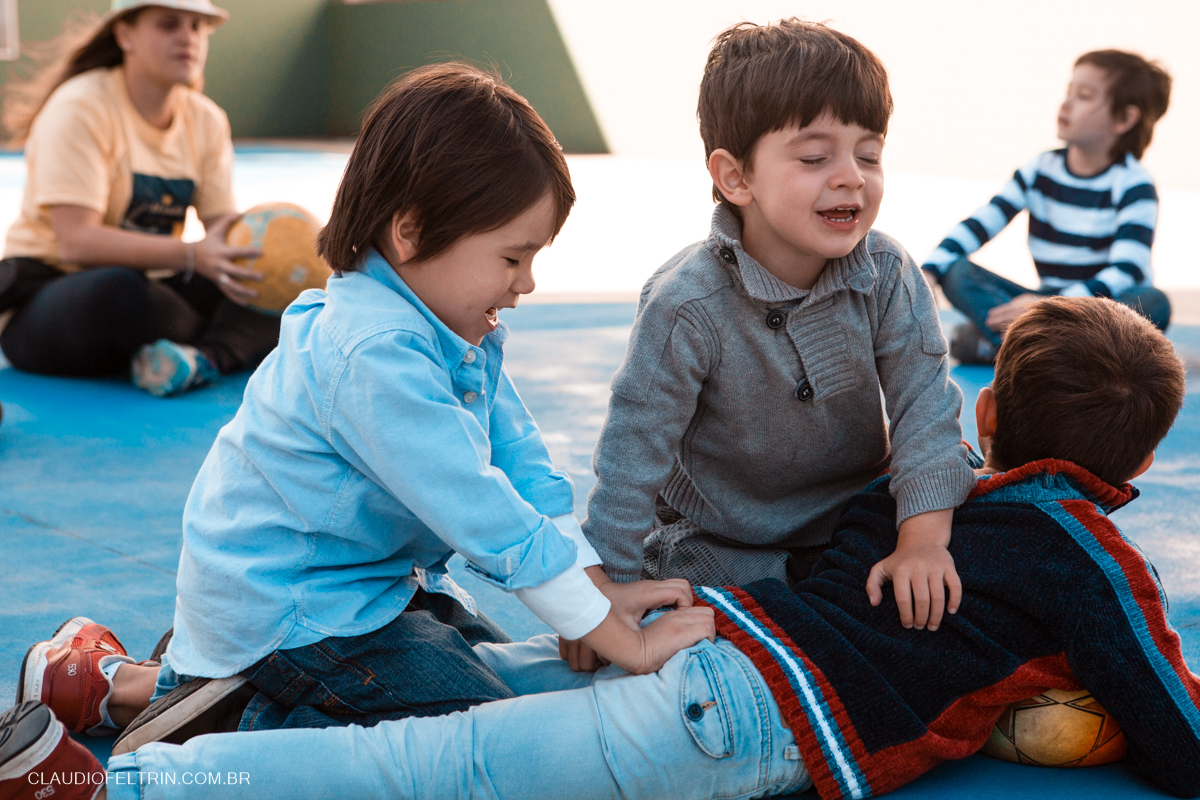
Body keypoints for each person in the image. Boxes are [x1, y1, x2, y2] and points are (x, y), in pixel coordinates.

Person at [5, 295, 1197, 800]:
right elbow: (1167, 705)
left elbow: (839, 563)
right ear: (1131, 479)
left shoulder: (916, 489)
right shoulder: (1084, 547)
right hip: (744, 720)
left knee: (432, 702)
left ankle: (117, 689)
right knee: (438, 767)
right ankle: (131, 782)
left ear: (985, 418)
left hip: (708, 633)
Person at [10, 62, 715, 762]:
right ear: (409, 232)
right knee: (478, 736)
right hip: (294, 618)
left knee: (507, 694)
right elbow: (484, 512)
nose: (528, 282)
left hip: (362, 594)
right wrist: (622, 637)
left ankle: (114, 681)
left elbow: (524, 467)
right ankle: (202, 725)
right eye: (512, 256)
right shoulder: (373, 354)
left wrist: (595, 593)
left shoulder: (452, 327)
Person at [580, 19, 975, 639]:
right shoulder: (687, 304)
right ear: (736, 178)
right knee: (699, 617)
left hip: (860, 515)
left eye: (868, 155)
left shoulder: (888, 271)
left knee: (967, 546)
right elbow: (633, 454)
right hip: (726, 538)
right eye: (816, 158)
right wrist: (609, 588)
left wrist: (922, 541)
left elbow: (925, 409)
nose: (851, 176)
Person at [0, 0, 279, 397]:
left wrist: (269, 254)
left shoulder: (206, 119)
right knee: (119, 291)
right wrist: (192, 256)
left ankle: (201, 359)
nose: (188, 38)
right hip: (57, 296)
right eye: (169, 25)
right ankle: (226, 341)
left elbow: (223, 229)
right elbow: (76, 241)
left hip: (155, 284)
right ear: (124, 34)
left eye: (198, 27)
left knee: (272, 281)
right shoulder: (81, 106)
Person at [922, 50, 1172, 364]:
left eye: (1083, 96)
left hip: (1097, 312)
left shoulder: (1134, 184)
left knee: (1152, 303)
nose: (1066, 104)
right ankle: (1058, 356)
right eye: (1068, 92)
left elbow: (1128, 270)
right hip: (1043, 306)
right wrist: (929, 272)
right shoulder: (1040, 170)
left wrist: (1049, 306)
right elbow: (981, 223)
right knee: (957, 272)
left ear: (1124, 119)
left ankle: (1011, 348)